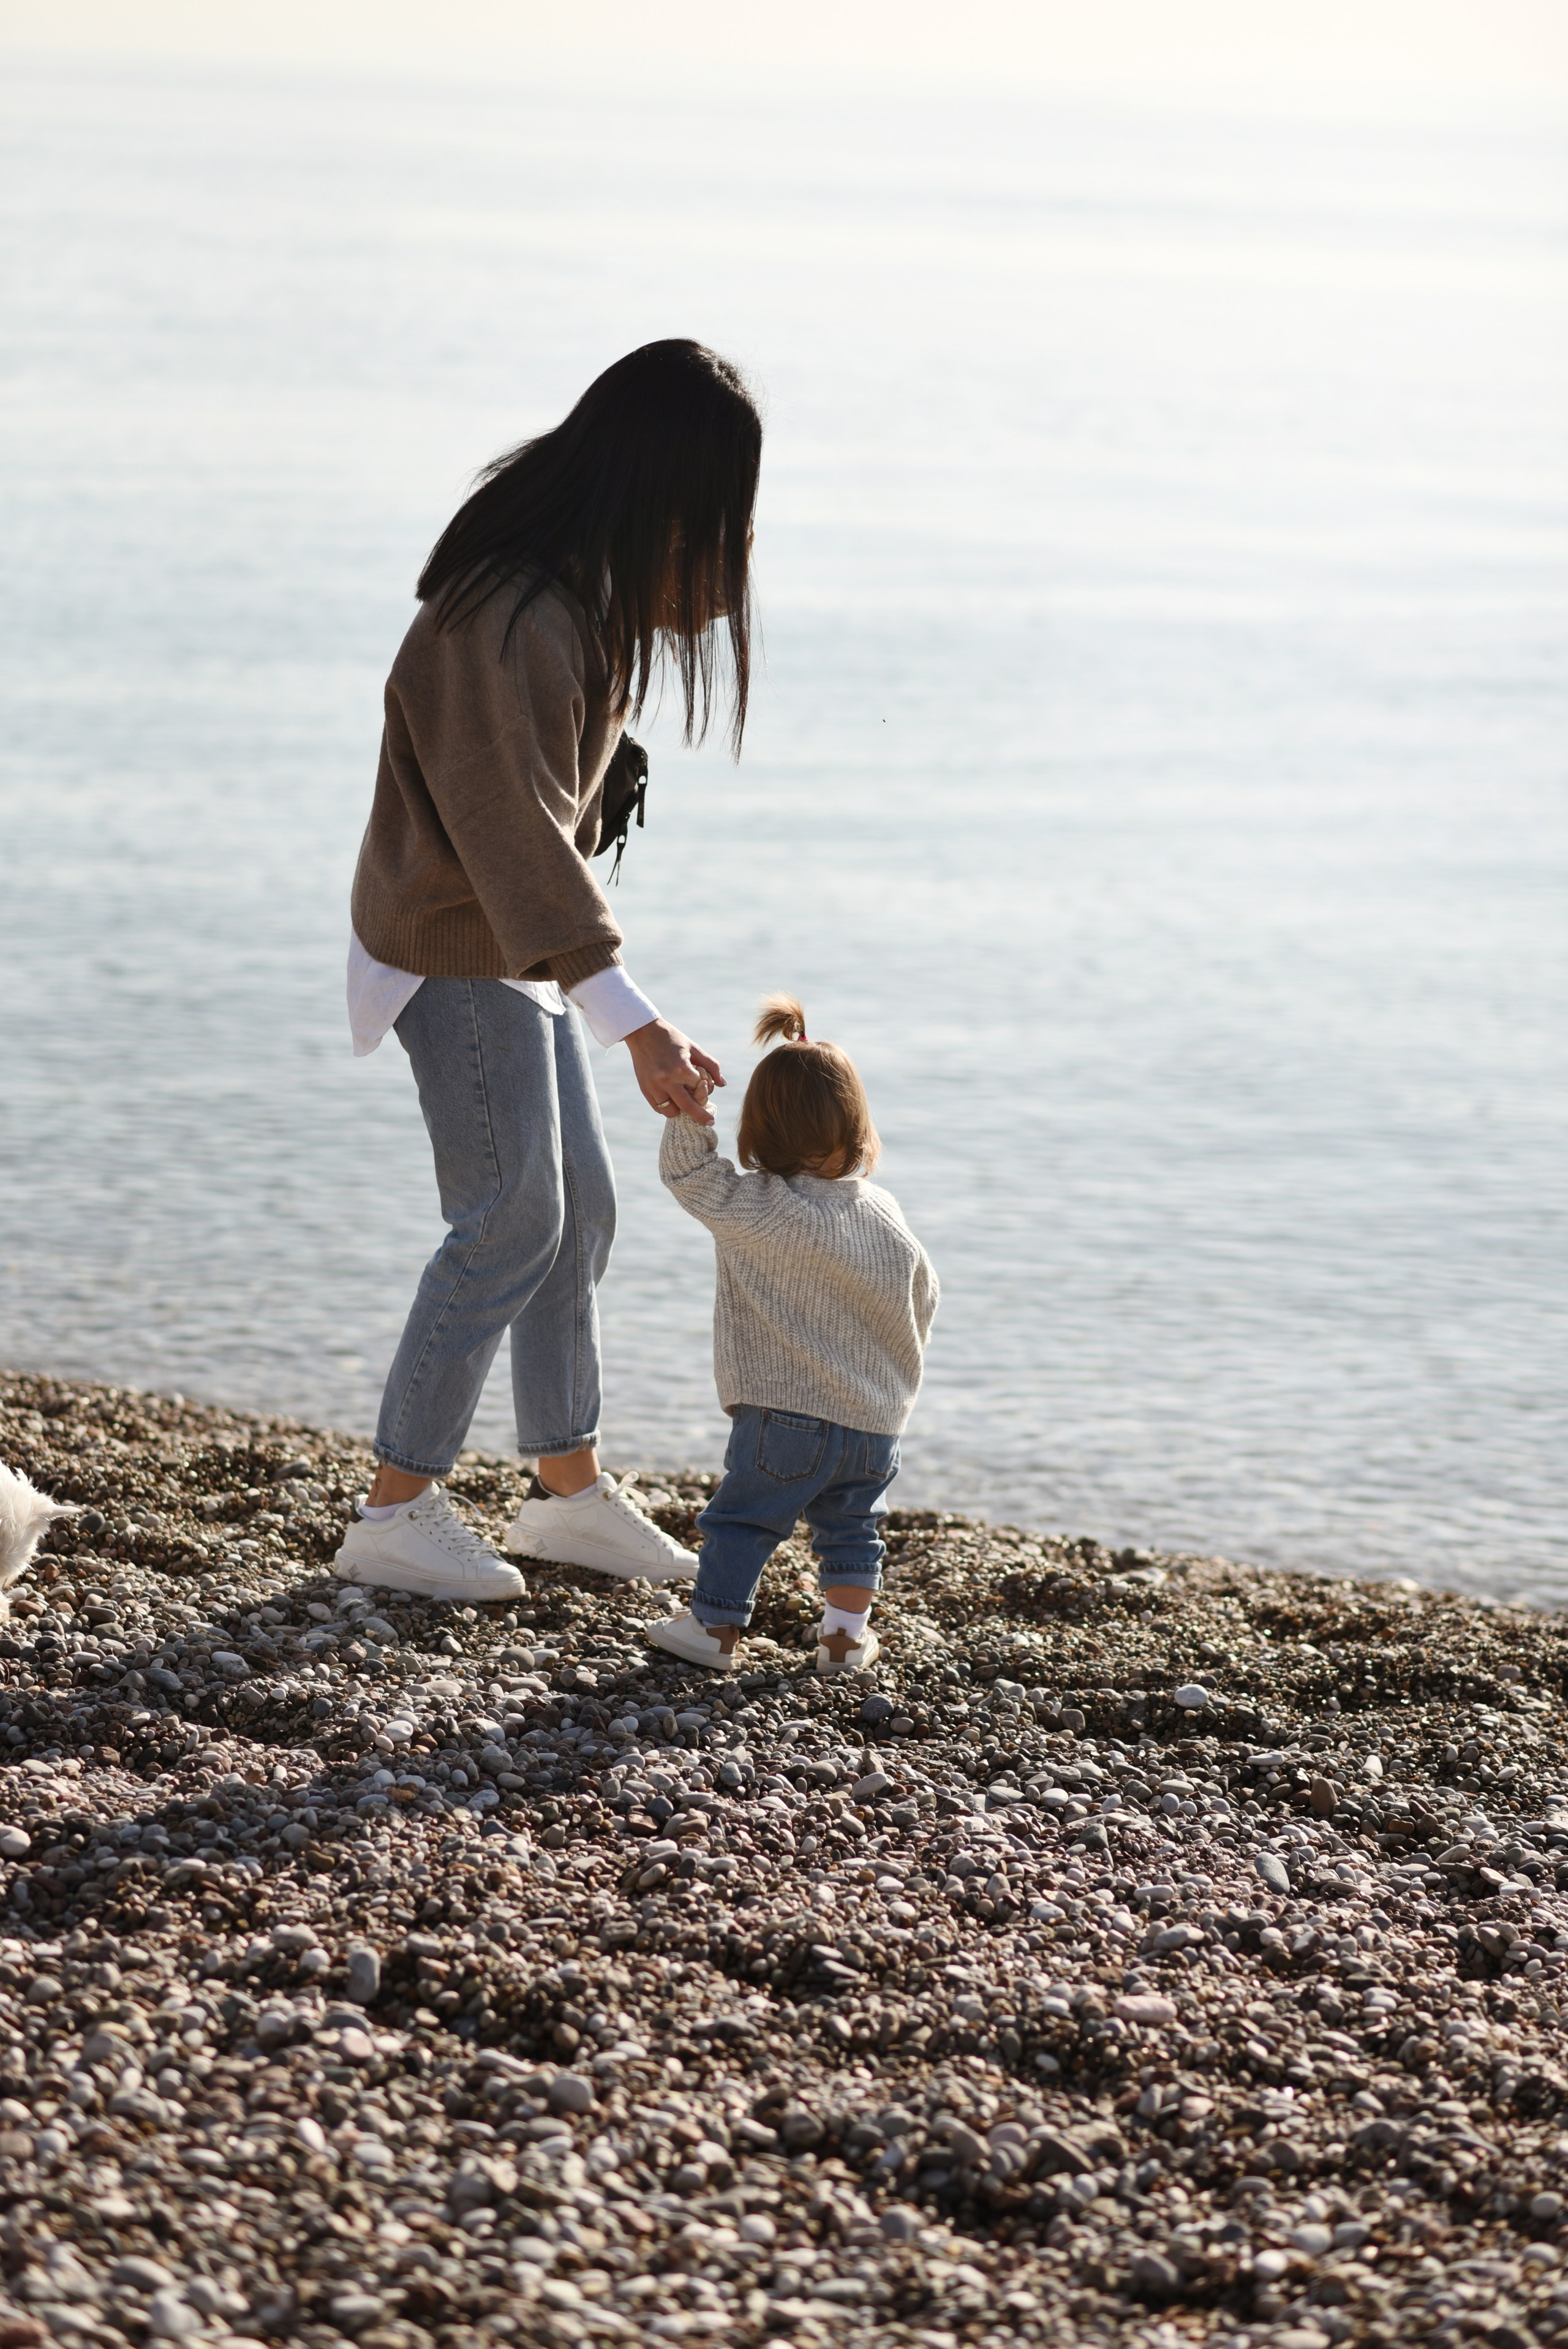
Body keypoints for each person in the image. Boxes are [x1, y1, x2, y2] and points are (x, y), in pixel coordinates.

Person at [333, 341, 763, 1602]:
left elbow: (540, 828)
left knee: (575, 1216)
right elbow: (511, 832)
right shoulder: (511, 614)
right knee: (510, 1214)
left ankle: (566, 1495)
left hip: (506, 947)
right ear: (657, 504)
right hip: (449, 945)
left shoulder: (574, 605)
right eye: (718, 532)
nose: (729, 575)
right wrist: (632, 1021)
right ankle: (393, 1511)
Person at [648, 997, 938, 1675]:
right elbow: (924, 1298)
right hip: (873, 1424)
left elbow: (689, 1176)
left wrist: (693, 1111)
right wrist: (890, 1383)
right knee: (851, 1532)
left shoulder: (759, 1206)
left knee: (744, 1522)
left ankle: (714, 1628)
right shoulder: (886, 1213)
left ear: (760, 1134)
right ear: (859, 1130)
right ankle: (842, 1639)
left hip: (785, 1417)